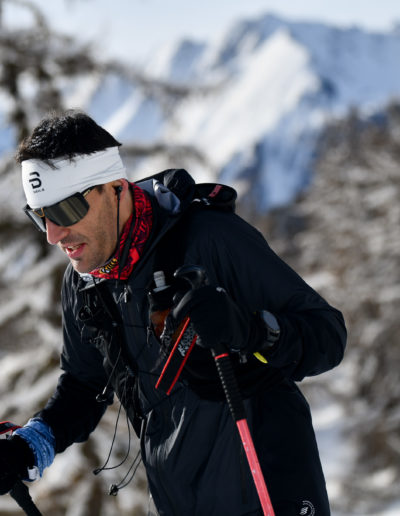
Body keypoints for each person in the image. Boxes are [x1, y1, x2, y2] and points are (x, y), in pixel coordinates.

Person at [0, 110, 346, 515]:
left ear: (115, 188)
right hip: (177, 503)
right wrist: (32, 444)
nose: (53, 235)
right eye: (40, 215)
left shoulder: (209, 240)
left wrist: (253, 333)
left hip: (268, 493)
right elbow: (84, 384)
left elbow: (327, 335)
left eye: (65, 210)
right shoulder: (85, 283)